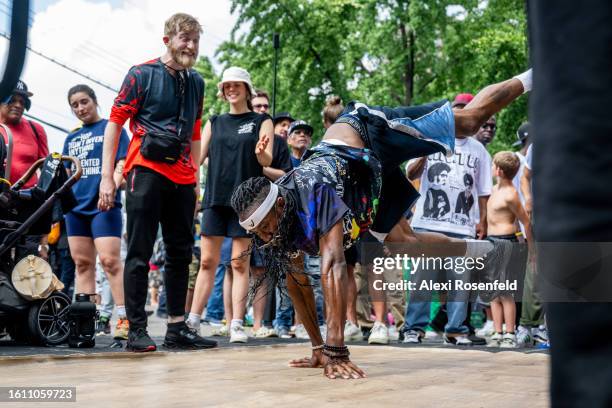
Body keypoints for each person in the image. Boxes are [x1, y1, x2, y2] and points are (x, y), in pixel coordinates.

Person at [230, 69, 532, 379]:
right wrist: (319, 350)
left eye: (266, 228)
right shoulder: (278, 224)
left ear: (280, 205)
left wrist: (337, 350)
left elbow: (332, 265)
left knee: (468, 123)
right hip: (361, 182)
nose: (266, 237)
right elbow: (298, 285)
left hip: (367, 134)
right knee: (409, 246)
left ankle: (535, 76)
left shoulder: (313, 192)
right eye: (259, 233)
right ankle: (482, 249)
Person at [99, 13, 216, 351]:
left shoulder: (197, 82)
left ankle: (177, 329)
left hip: (182, 177)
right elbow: (115, 123)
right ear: (168, 40)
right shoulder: (141, 74)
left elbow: (195, 132)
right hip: (144, 171)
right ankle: (137, 328)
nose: (190, 46)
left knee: (180, 254)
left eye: (195, 40)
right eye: (185, 38)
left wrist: (195, 179)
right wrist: (108, 177)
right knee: (139, 250)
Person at [186, 66, 274, 343]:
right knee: (208, 262)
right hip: (214, 199)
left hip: (247, 203)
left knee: (239, 264)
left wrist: (260, 153)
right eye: (227, 86)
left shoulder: (262, 120)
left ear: (247, 89)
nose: (231, 89)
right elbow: (196, 160)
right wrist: (190, 191)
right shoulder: (214, 121)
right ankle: (192, 321)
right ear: (223, 91)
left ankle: (237, 323)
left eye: (237, 84)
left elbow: (267, 161)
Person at [403, 104, 492, 346]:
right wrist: (424, 150)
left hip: (462, 226)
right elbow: (410, 174)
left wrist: (482, 221)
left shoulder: (479, 150)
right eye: (457, 115)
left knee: (460, 283)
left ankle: (455, 330)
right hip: (427, 223)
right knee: (422, 280)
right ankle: (413, 329)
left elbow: (484, 190)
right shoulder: (429, 140)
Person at [63, 84, 130, 340]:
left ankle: (124, 318)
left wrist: (111, 184)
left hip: (104, 205)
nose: (81, 108)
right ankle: (85, 324)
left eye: (84, 102)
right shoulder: (71, 138)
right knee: (82, 264)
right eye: (75, 105)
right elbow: (67, 175)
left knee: (111, 262)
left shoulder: (111, 130)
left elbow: (122, 162)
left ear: (94, 101)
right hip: (76, 209)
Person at [250, 89, 291, 338]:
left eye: (266, 107)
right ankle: (230, 319)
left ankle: (259, 324)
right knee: (233, 266)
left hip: (268, 211)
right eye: (257, 106)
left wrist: (262, 166)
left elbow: (286, 175)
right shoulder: (237, 135)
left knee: (262, 269)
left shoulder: (280, 143)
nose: (262, 110)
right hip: (238, 207)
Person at [485, 151, 532, 348]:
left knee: (506, 291)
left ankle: (510, 332)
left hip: (506, 241)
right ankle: (497, 330)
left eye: (493, 165)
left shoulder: (511, 194)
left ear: (498, 170)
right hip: (491, 241)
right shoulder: (494, 189)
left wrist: (531, 248)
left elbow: (526, 222)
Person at [0, 80, 50, 259]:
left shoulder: (36, 130)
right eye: (12, 99)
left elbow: (47, 169)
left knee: (27, 258)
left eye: (22, 101)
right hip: (1, 199)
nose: (18, 105)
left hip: (28, 202)